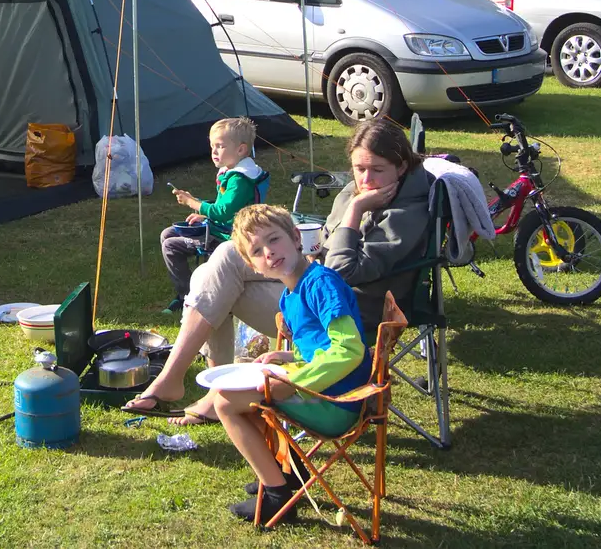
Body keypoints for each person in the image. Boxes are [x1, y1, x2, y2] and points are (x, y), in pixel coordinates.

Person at [123, 119, 429, 425]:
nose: (365, 179)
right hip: (312, 289)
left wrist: (355, 212)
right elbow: (327, 244)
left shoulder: (405, 212)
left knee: (223, 271)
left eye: (377, 169)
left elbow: (342, 271)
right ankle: (202, 388)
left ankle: (195, 388)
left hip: (340, 316)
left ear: (401, 167)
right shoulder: (356, 192)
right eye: (359, 168)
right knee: (215, 269)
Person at [212, 205, 371, 524]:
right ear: (252, 264)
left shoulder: (320, 283)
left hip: (337, 403)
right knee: (239, 392)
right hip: (326, 393)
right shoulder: (290, 294)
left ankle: (276, 494)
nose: (269, 252)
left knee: (225, 402)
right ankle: (285, 469)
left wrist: (297, 383)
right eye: (257, 250)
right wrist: (289, 358)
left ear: (296, 237)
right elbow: (320, 349)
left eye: (274, 240)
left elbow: (349, 350)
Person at [160, 117, 268, 314]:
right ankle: (189, 290)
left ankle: (187, 296)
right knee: (168, 233)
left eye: (220, 146)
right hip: (223, 226)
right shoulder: (236, 171)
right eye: (212, 146)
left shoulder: (240, 179)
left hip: (230, 236)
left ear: (241, 150)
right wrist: (201, 207)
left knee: (170, 244)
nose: (214, 151)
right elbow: (224, 206)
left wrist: (193, 203)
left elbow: (223, 212)